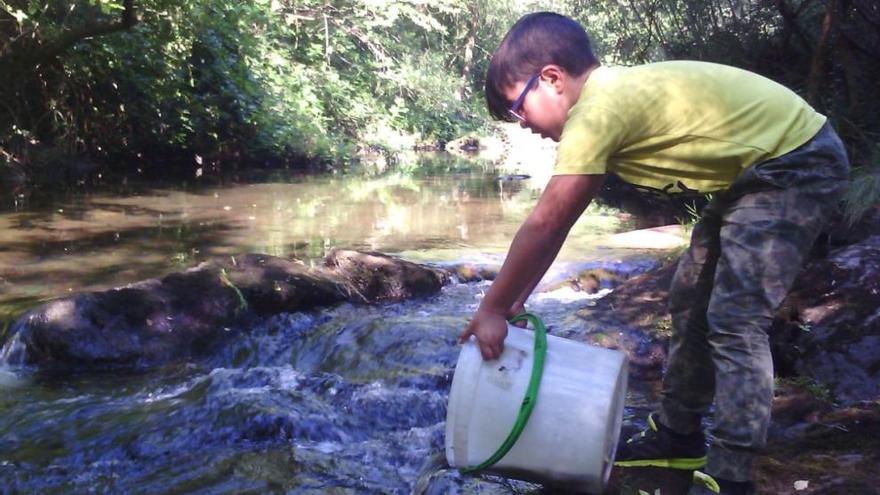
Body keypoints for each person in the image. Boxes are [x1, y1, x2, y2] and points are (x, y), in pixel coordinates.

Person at [457, 11, 849, 495]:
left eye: (519, 109)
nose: (523, 126)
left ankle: (732, 472)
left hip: (796, 161)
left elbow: (546, 222)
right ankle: (677, 435)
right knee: (691, 297)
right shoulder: (605, 102)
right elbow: (558, 225)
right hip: (755, 173)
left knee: (735, 318)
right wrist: (516, 300)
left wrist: (492, 308)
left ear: (552, 79)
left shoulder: (598, 112)